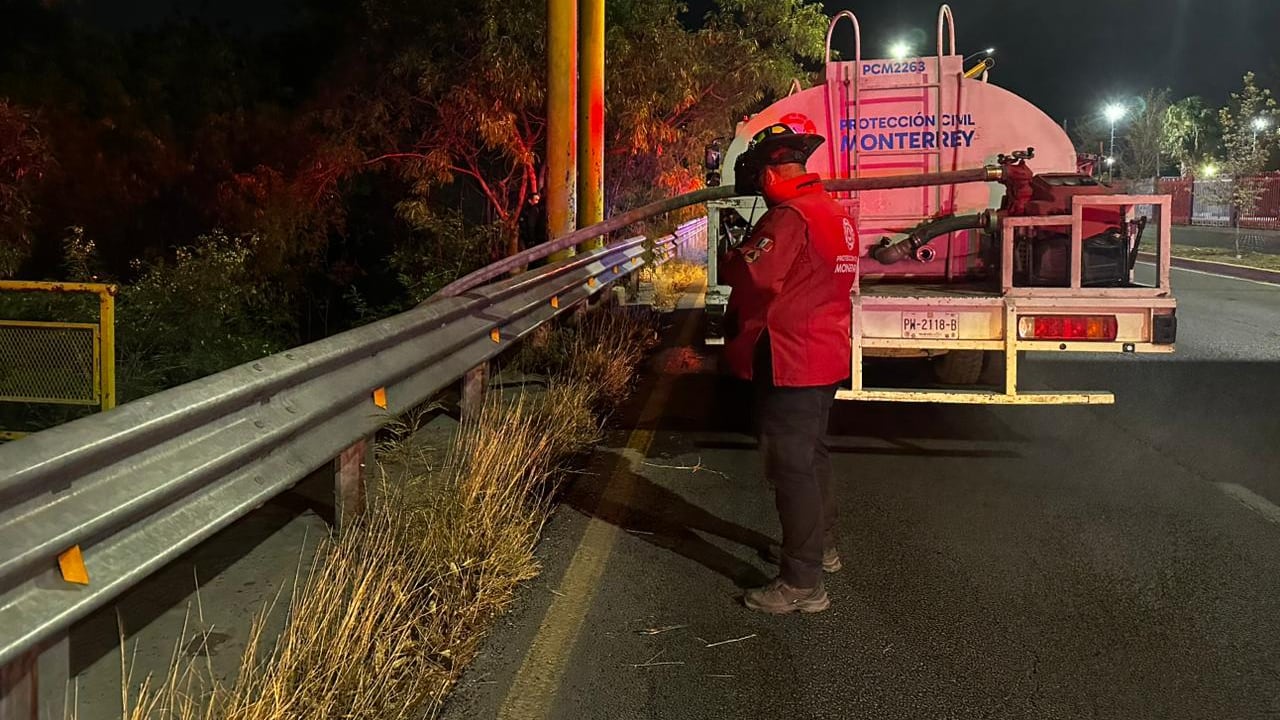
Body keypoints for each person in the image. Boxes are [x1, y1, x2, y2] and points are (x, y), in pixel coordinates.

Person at [719, 123, 859, 614]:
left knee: (790, 467)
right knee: (813, 456)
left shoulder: (789, 216)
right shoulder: (832, 211)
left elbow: (753, 274)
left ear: (770, 174)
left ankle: (802, 582)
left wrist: (734, 255)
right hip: (825, 352)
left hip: (790, 356)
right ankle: (822, 547)